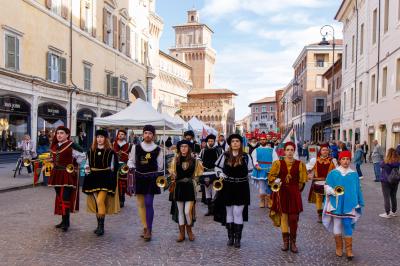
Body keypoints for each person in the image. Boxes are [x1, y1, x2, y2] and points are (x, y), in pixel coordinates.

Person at [322, 151, 364, 260]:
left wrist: (359, 201)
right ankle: (339, 248)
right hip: (336, 203)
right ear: (340, 160)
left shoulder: (354, 174)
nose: (345, 161)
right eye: (343, 159)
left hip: (349, 203)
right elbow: (327, 186)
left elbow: (357, 189)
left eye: (347, 159)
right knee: (337, 223)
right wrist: (332, 191)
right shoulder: (334, 173)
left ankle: (349, 250)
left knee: (347, 224)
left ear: (350, 160)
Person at [213, 134, 253, 248]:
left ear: (240, 143)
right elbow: (217, 167)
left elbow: (250, 170)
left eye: (237, 141)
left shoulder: (246, 156)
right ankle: (230, 237)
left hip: (241, 187)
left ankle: (238, 239)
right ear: (230, 144)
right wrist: (220, 173)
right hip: (227, 186)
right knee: (229, 212)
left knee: (237, 212)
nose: (235, 143)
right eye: (233, 141)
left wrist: (246, 176)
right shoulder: (224, 155)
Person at [268, 142, 308, 253]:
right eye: (288, 150)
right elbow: (271, 176)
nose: (290, 152)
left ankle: (293, 242)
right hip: (282, 193)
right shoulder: (278, 163)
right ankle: (285, 242)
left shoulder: (300, 164)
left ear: (294, 151)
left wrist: (295, 190)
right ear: (284, 151)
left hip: (294, 193)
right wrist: (276, 180)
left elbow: (302, 182)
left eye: (292, 150)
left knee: (293, 218)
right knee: (284, 217)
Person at [127, 125, 164, 241]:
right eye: (146, 133)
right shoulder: (136, 147)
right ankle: (145, 226)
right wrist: (131, 167)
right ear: (143, 134)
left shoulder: (158, 149)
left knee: (148, 203)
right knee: (141, 204)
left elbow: (160, 166)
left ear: (153, 135)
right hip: (139, 177)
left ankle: (149, 229)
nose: (148, 135)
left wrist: (153, 174)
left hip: (151, 179)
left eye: (150, 133)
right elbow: (131, 161)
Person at [47, 126, 86, 232]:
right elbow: (55, 157)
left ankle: (66, 222)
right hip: (56, 174)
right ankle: (63, 220)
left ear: (67, 135)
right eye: (58, 133)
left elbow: (82, 154)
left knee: (65, 197)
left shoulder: (72, 145)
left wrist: (74, 164)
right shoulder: (55, 146)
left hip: (67, 174)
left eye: (62, 133)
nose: (59, 135)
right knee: (60, 197)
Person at [82, 130, 120, 236]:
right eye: (98, 137)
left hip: (105, 179)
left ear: (106, 139)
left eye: (102, 137)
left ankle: (101, 227)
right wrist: (87, 171)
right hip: (93, 179)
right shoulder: (90, 151)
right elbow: (87, 165)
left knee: (99, 201)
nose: (99, 139)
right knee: (97, 203)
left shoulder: (110, 152)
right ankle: (98, 225)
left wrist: (112, 179)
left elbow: (114, 167)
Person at [169, 140, 204, 242]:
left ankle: (189, 230)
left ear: (189, 148)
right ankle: (181, 233)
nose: (183, 148)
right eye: (182, 147)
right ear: (179, 148)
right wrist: (173, 176)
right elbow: (172, 173)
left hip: (189, 187)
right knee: (180, 212)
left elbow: (198, 174)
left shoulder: (195, 160)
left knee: (187, 211)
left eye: (185, 146)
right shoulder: (175, 160)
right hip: (179, 187)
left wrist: (195, 181)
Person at [306, 143, 337, 223]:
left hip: (328, 183)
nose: (325, 151)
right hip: (317, 182)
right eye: (323, 150)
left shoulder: (332, 160)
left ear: (328, 151)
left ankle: (328, 214)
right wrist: (308, 173)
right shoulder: (315, 160)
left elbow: (337, 171)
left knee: (328, 198)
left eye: (326, 150)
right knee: (318, 198)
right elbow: (308, 168)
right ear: (320, 151)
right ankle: (319, 215)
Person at [251, 133, 278, 208]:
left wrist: (273, 168)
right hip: (260, 170)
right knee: (262, 186)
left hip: (270, 169)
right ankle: (262, 200)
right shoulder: (256, 150)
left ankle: (269, 201)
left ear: (266, 140)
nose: (263, 141)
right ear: (259, 141)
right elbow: (254, 159)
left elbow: (275, 160)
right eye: (261, 140)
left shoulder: (271, 150)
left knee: (270, 186)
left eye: (264, 139)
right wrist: (256, 165)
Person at [199, 134, 222, 216]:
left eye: (212, 141)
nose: (210, 142)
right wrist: (201, 166)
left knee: (215, 191)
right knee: (207, 191)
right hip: (206, 173)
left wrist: (220, 172)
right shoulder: (203, 150)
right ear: (207, 142)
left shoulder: (218, 150)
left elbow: (221, 161)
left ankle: (214, 210)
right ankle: (209, 210)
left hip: (215, 172)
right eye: (209, 141)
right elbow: (199, 159)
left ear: (214, 141)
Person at [113, 129, 132, 208]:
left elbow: (131, 157)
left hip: (124, 167)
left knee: (122, 183)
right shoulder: (113, 143)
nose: (120, 135)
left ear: (125, 136)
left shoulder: (129, 145)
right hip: (114, 166)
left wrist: (129, 165)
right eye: (119, 134)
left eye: (122, 134)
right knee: (114, 182)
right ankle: (115, 199)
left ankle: (121, 199)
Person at [378, 148, 400, 218]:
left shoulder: (386, 161)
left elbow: (380, 164)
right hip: (395, 180)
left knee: (386, 197)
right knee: (393, 196)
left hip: (385, 181)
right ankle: (394, 211)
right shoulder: (397, 161)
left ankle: (387, 213)